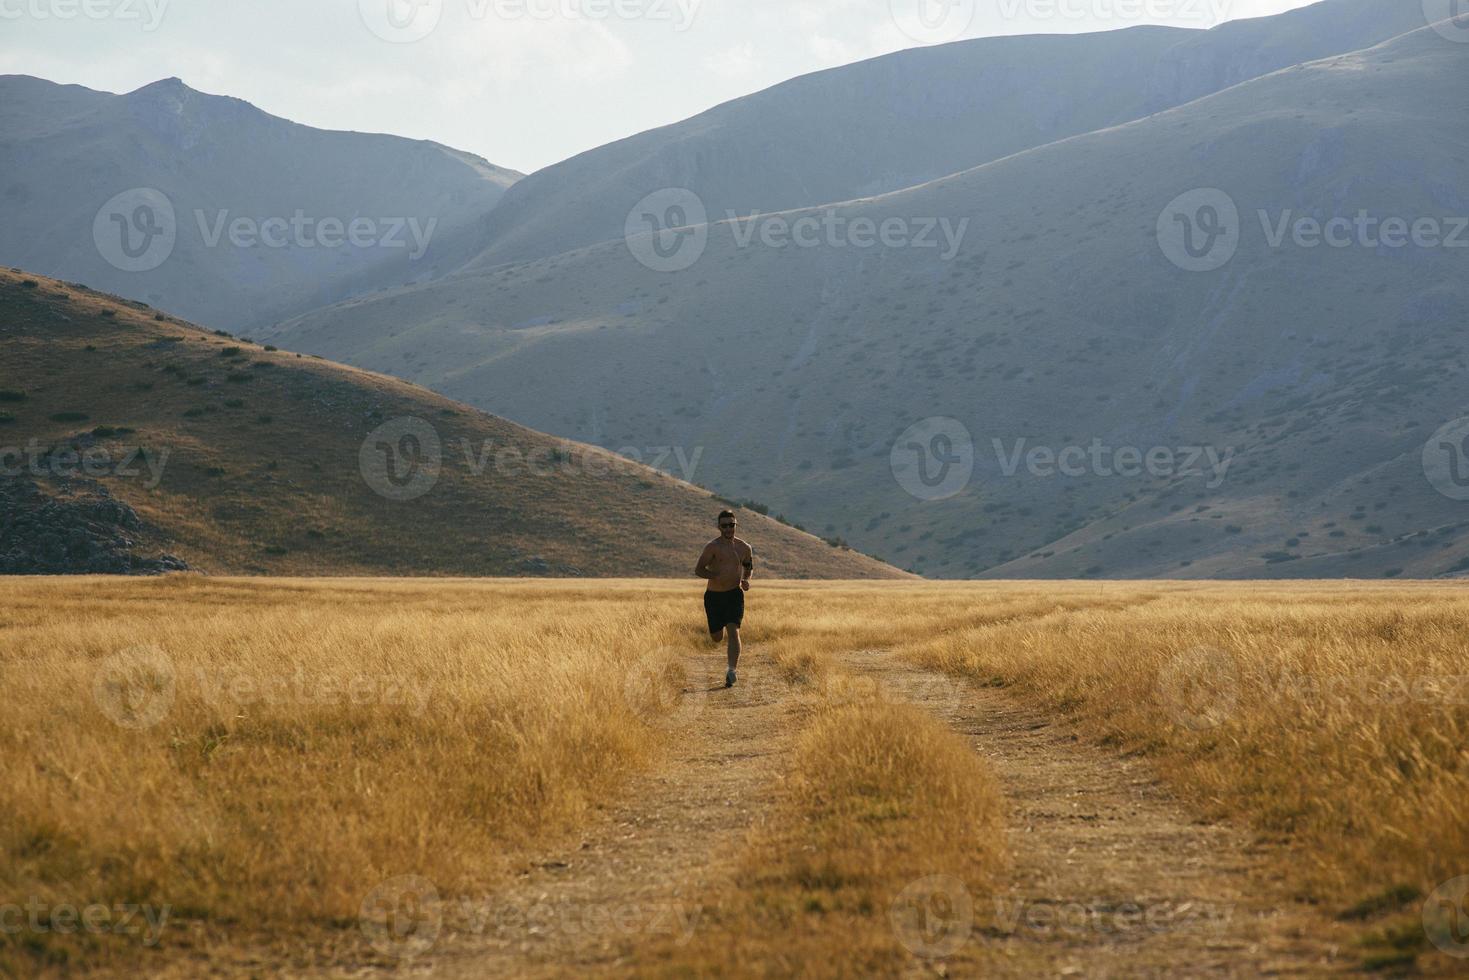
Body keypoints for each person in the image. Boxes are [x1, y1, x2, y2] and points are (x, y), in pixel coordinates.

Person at [694, 510, 753, 688]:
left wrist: (746, 580)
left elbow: (748, 567)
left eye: (731, 525)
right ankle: (719, 636)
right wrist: (714, 574)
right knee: (717, 637)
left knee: (733, 629)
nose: (728, 528)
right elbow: (698, 569)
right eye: (725, 525)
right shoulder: (712, 547)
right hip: (714, 597)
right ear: (719, 527)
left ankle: (731, 670)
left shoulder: (744, 547)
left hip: (734, 595)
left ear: (736, 525)